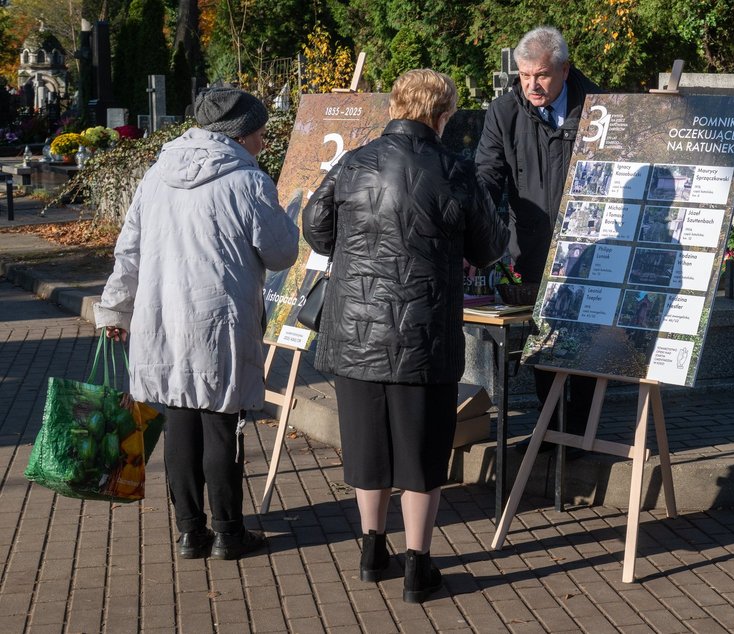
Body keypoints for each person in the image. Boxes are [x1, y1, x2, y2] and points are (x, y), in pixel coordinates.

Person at [303, 69, 508, 604]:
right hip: (424, 333)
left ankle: (372, 550)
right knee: (421, 453)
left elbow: (314, 226)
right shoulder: (455, 171)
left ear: (396, 106)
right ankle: (419, 564)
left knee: (367, 446)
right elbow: (489, 248)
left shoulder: (353, 162)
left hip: (357, 332)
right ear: (443, 115)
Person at [94, 88, 300, 561]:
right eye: (261, 131)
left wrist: (114, 310)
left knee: (179, 421)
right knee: (221, 425)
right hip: (218, 320)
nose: (264, 140)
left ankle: (190, 532)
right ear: (241, 133)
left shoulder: (156, 175)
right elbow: (282, 252)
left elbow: (129, 251)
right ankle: (229, 532)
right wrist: (290, 219)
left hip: (160, 317)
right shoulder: (248, 180)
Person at [475, 25, 599, 448]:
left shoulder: (599, 108)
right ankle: (551, 430)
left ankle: (579, 435)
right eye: (525, 75)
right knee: (543, 341)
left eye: (541, 75)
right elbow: (487, 175)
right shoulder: (504, 111)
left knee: (581, 342)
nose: (531, 85)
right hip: (527, 249)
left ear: (565, 70)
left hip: (588, 248)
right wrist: (477, 226)